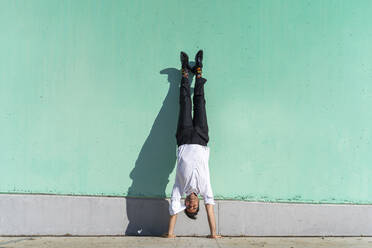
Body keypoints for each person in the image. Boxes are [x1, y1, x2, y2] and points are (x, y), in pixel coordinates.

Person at [163, 50, 220, 238]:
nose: (191, 204)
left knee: (185, 103)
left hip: (185, 138)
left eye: (188, 207)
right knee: (200, 103)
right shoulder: (205, 189)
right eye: (194, 207)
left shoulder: (179, 187)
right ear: (198, 205)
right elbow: (211, 208)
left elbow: (173, 209)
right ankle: (199, 69)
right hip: (202, 138)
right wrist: (213, 233)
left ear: (185, 204)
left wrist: (170, 233)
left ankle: (185, 71)